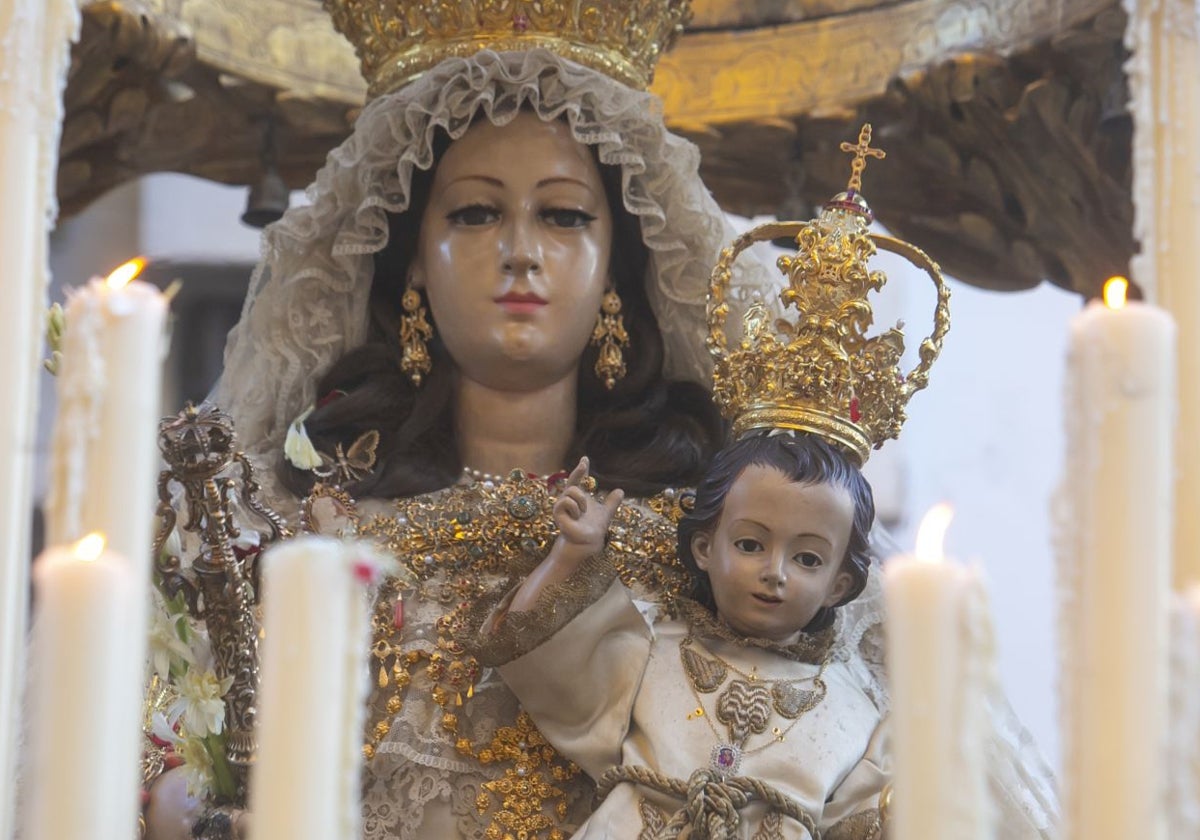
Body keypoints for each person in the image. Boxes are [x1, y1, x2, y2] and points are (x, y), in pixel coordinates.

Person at [145, 4, 1057, 839]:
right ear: (414, 258)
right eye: (474, 212)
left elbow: (900, 779)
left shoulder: (733, 532)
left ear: (618, 260)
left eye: (563, 215)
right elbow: (146, 754)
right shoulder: (286, 527)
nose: (519, 252)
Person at [481, 434, 889, 838]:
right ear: (704, 548)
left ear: (838, 585)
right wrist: (573, 551)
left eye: (807, 559)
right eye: (750, 544)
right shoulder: (651, 649)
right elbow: (535, 647)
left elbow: (874, 821)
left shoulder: (852, 712)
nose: (775, 572)